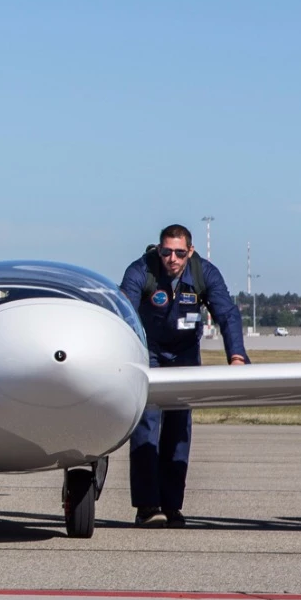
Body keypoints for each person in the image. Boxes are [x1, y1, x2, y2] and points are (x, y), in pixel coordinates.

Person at [119, 225, 247, 527]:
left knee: (179, 429)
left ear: (189, 251)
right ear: (158, 250)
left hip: (185, 355)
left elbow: (227, 313)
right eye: (166, 252)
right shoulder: (141, 270)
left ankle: (173, 505)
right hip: (147, 352)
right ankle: (148, 506)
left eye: (179, 252)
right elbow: (123, 310)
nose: (171, 259)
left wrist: (237, 357)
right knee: (145, 426)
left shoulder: (205, 273)